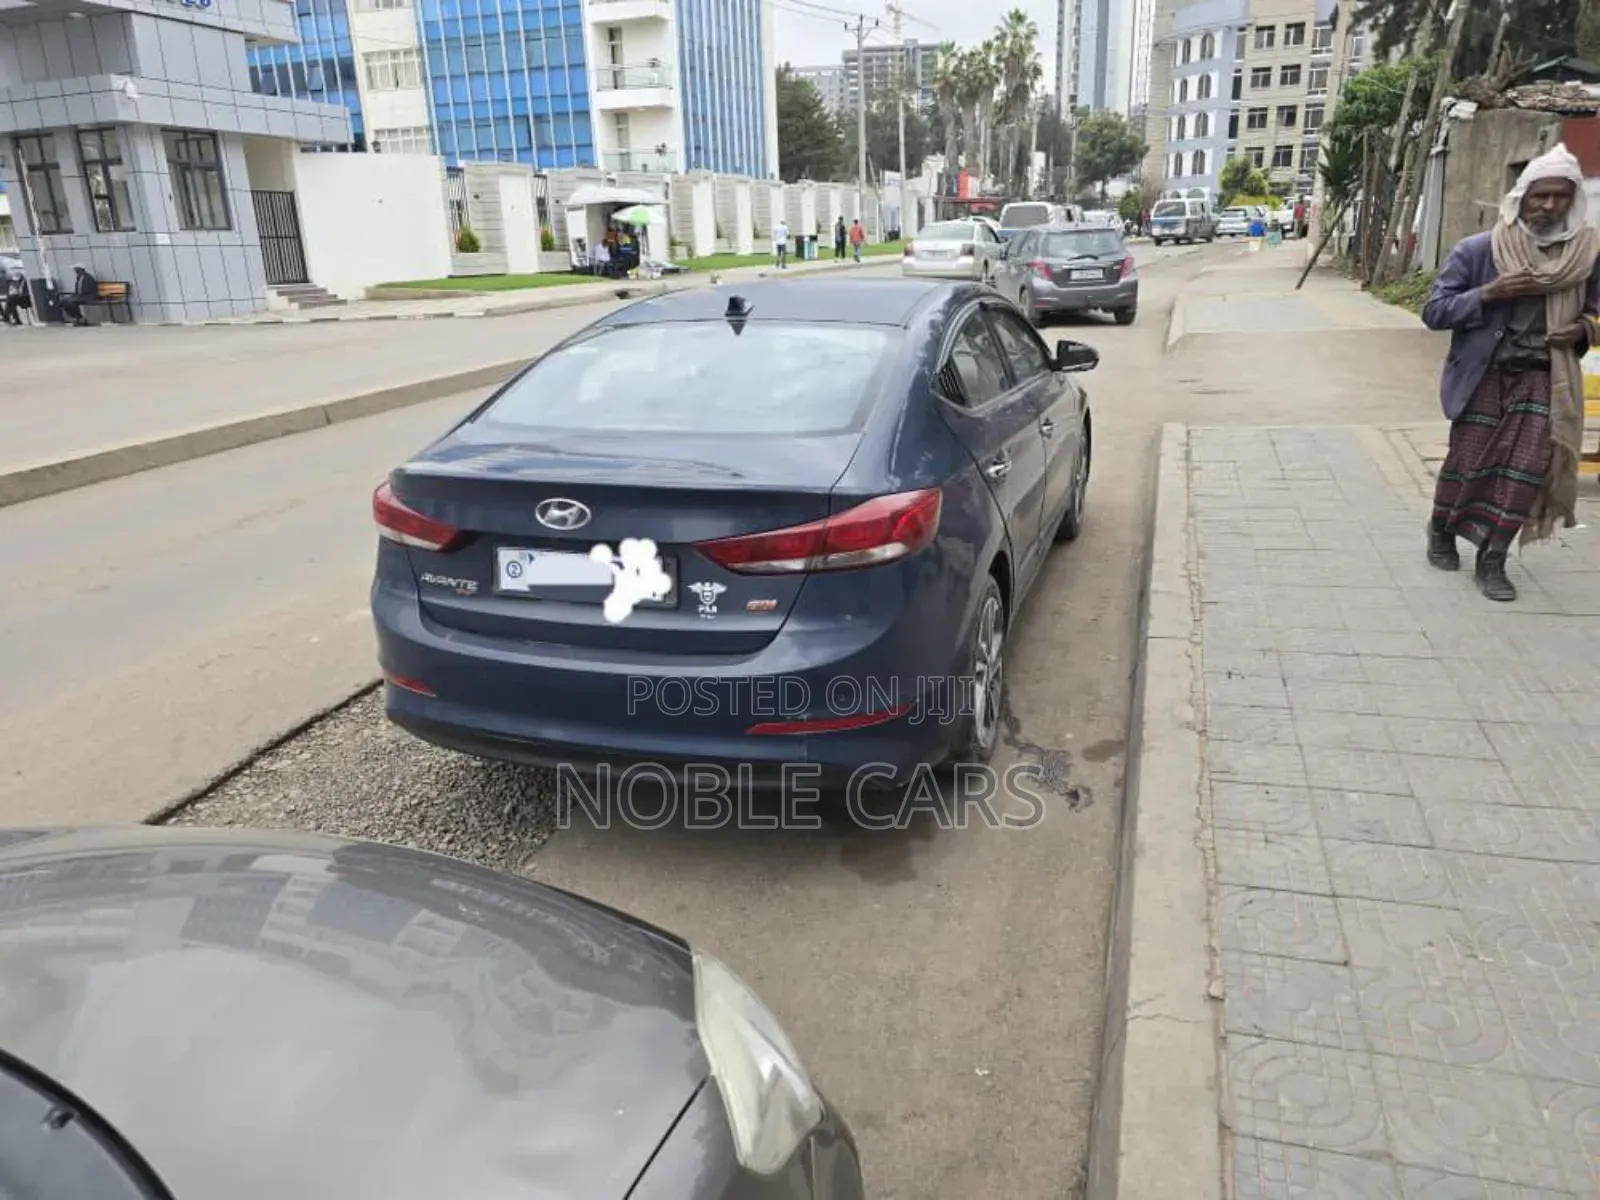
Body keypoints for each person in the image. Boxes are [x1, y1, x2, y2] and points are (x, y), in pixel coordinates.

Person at [1422, 144, 1600, 602]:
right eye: (1540, 195)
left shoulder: (1585, 256)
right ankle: (1441, 529)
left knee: (1525, 469)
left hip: (1545, 374)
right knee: (1466, 463)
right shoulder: (1481, 251)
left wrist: (1580, 329)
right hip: (1484, 374)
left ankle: (1493, 559)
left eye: (1561, 196)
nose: (1549, 205)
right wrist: (1489, 292)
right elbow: (1435, 311)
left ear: (1572, 200)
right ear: (1521, 196)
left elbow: (1596, 314)